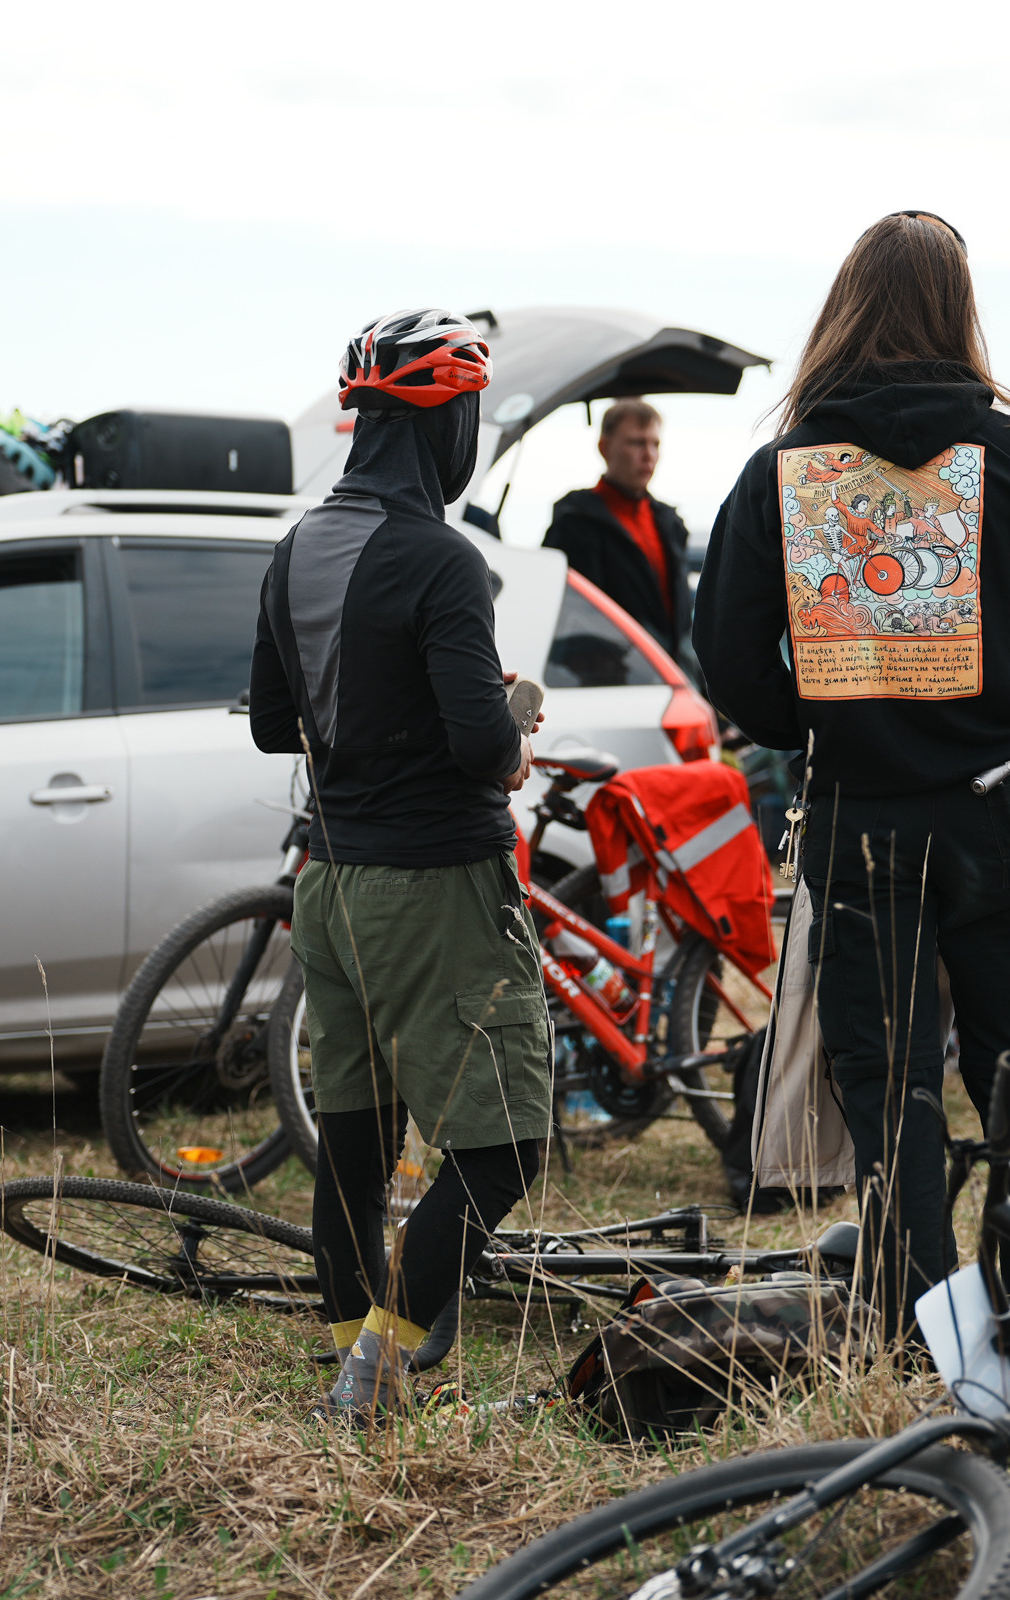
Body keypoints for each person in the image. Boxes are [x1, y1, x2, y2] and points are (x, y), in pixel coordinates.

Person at [695, 212, 1010, 1349]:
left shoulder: (784, 469)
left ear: (844, 310)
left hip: (860, 822)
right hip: (998, 814)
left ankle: (921, 1340)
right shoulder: (1008, 454)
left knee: (889, 1099)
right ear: (959, 310)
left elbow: (727, 654)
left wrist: (814, 718)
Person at [248, 309, 550, 1424]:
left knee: (359, 1140)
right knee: (504, 1141)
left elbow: (277, 725)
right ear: (449, 421)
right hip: (437, 882)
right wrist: (510, 730)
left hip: (329, 883)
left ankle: (347, 1342)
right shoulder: (441, 559)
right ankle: (373, 1371)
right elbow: (483, 747)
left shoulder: (299, 548)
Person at [543, 398, 694, 661]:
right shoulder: (577, 522)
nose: (648, 455)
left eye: (655, 444)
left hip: (671, 669)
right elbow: (573, 614)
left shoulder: (669, 522)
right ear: (604, 447)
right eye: (636, 442)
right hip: (613, 674)